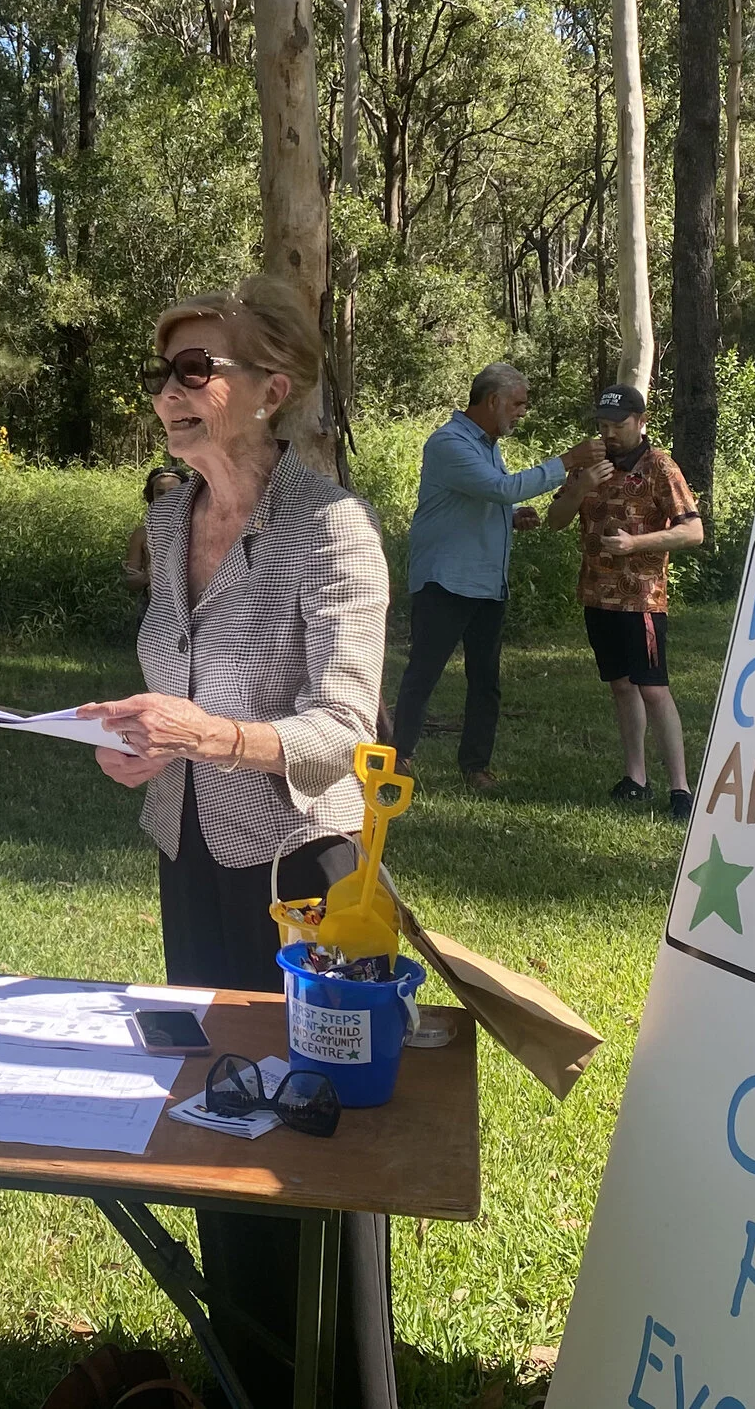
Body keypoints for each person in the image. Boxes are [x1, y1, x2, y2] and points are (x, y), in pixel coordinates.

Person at [80, 276, 399, 1409]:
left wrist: (205, 734)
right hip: (191, 853)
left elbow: (346, 731)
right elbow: (182, 689)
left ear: (272, 390)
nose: (170, 392)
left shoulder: (332, 531)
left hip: (304, 876)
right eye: (164, 373)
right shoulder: (168, 517)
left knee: (311, 1142)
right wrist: (141, 740)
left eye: (193, 370)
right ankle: (247, 1379)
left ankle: (342, 1388)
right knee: (220, 1111)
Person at [391, 364, 605, 790]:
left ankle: (475, 766)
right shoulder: (448, 443)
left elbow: (485, 498)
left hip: (487, 581)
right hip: (446, 579)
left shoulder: (488, 445)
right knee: (424, 673)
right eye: (519, 402)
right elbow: (499, 488)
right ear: (492, 401)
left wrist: (509, 516)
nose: (523, 411)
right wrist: (566, 461)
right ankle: (398, 758)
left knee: (485, 680)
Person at [544, 385, 705, 819]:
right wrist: (580, 488)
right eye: (603, 425)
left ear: (641, 422)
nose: (610, 433)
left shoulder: (659, 467)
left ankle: (681, 789)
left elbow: (693, 531)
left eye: (618, 425)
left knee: (653, 688)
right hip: (597, 594)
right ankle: (635, 778)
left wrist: (637, 543)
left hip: (643, 600)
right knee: (620, 686)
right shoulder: (588, 463)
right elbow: (554, 521)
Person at [121, 464, 188, 592]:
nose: (167, 498)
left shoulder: (200, 529)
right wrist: (151, 576)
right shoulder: (142, 535)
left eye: (174, 492)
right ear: (151, 497)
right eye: (160, 493)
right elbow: (130, 582)